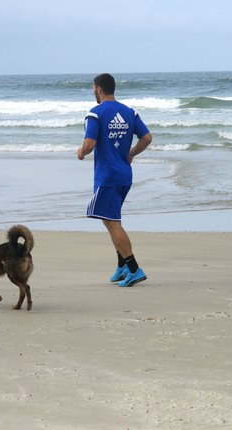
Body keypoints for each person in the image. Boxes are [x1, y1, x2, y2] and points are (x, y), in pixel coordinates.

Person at [77, 73, 152, 287]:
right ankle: (122, 266)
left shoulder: (96, 113)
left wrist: (80, 152)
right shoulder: (129, 112)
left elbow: (89, 144)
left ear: (98, 89)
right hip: (124, 175)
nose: (94, 91)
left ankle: (134, 268)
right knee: (108, 218)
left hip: (108, 176)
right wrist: (131, 153)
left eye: (94, 88)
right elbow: (147, 138)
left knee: (112, 222)